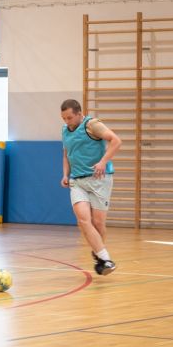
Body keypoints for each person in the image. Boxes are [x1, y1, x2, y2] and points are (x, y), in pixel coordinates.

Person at [60, 99, 122, 275]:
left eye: (70, 118)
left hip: (99, 179)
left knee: (98, 223)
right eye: (63, 118)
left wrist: (103, 162)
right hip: (77, 181)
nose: (67, 122)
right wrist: (65, 174)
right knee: (83, 220)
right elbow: (66, 154)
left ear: (80, 114)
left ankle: (99, 253)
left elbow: (116, 141)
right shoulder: (65, 130)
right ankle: (106, 259)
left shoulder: (92, 125)